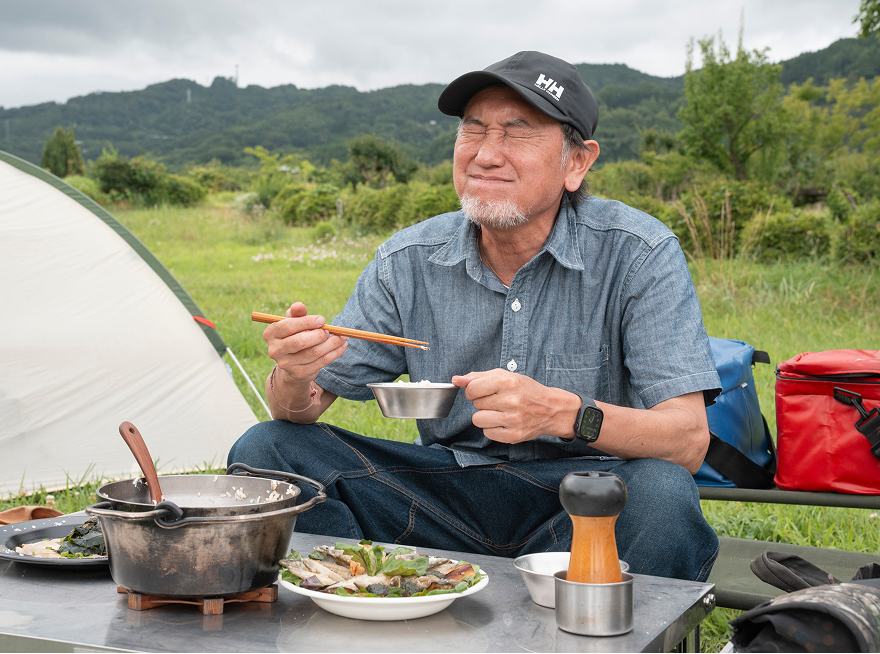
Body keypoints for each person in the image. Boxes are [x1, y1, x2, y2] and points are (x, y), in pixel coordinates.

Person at [229, 51, 722, 581]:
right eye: (474, 131)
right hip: (440, 497)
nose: (486, 154)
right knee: (266, 449)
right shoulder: (408, 259)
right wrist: (295, 374)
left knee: (662, 493)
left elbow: (687, 440)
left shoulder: (637, 252)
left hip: (581, 502)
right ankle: (357, 606)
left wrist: (565, 413)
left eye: (518, 132)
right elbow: (297, 410)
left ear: (576, 162)